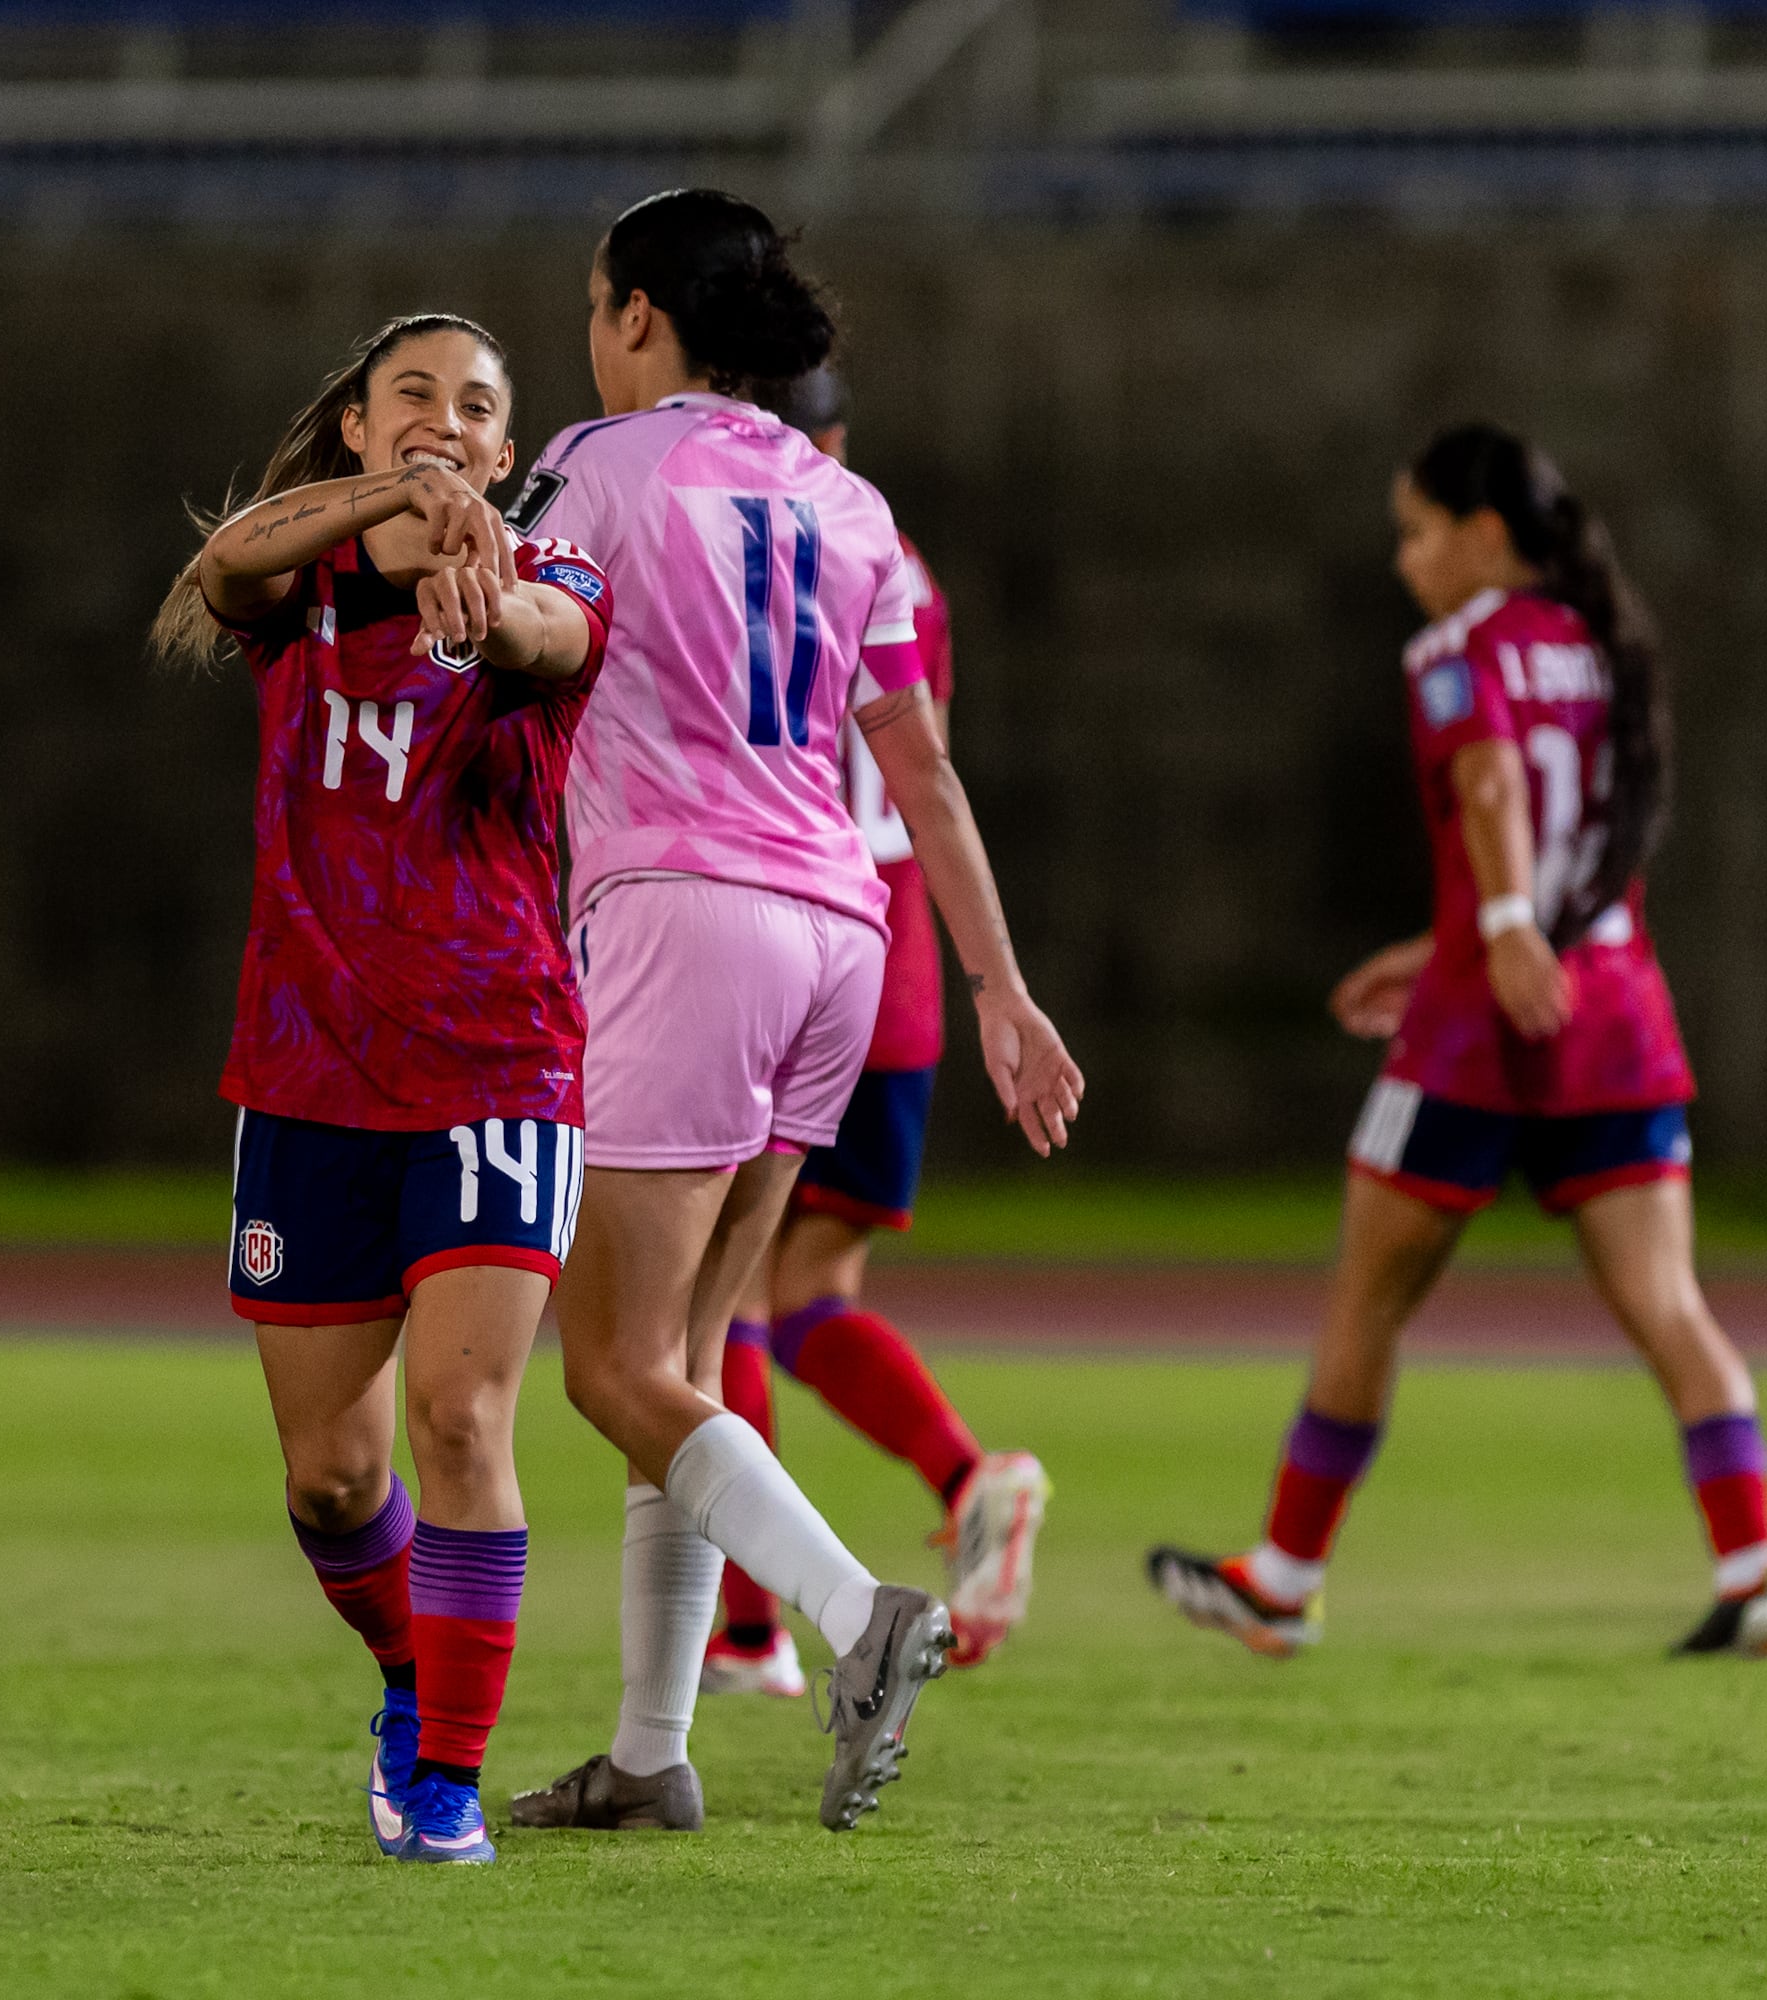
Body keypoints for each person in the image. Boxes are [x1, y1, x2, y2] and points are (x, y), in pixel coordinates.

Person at [504, 190, 1082, 1838]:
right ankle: (651, 1752)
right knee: (686, 1365)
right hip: (842, 932)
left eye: (590, 304)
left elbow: (525, 631)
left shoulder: (598, 466)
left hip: (689, 918)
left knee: (609, 1368)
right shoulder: (850, 504)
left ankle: (855, 1615)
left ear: (634, 316)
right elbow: (923, 768)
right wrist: (998, 985)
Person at [1148, 421, 1767, 1662]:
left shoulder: (1461, 649)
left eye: (1417, 531)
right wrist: (1464, 931)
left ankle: (1285, 1574)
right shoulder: (1606, 651)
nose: (1406, 561)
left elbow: (1497, 787)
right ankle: (1755, 1563)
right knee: (1670, 1301)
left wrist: (1497, 930)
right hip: (1610, 1003)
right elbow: (1574, 833)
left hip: (1482, 1029)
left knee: (1367, 1298)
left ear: (1484, 533)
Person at [153, 313, 609, 1866]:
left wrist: (484, 624)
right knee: (335, 1478)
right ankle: (416, 1678)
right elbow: (225, 567)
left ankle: (445, 1786)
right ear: (354, 424)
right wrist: (381, 512)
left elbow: (556, 647)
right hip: (307, 1070)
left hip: (499, 1060)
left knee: (461, 1417)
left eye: (475, 406)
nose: (442, 419)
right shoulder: (302, 584)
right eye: (410, 394)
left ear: (506, 449)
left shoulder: (552, 575)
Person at [700, 364, 1048, 1704]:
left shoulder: (746, 544)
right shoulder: (905, 568)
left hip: (782, 947)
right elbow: (923, 766)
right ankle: (971, 1475)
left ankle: (748, 1634)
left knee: (716, 1297)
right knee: (810, 1294)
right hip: (898, 968)